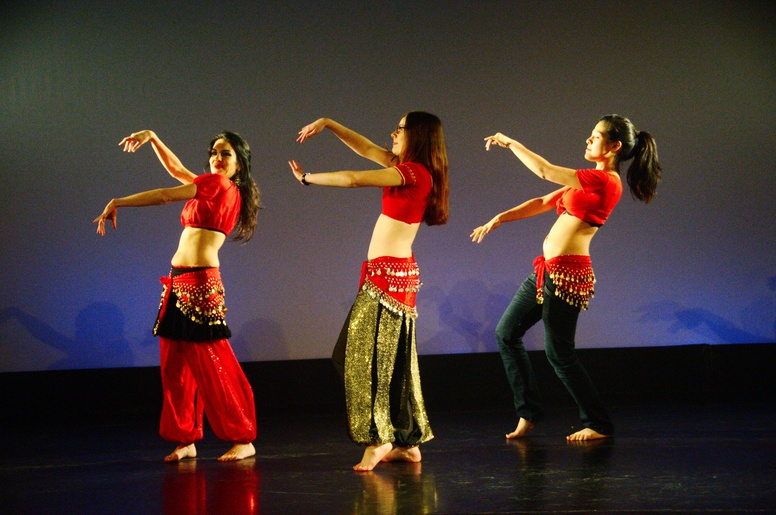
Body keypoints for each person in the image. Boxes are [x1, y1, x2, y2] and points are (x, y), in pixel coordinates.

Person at [471, 115, 662, 441]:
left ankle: (598, 423)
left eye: (595, 136)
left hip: (568, 274)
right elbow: (544, 201)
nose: (588, 140)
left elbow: (545, 171)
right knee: (506, 333)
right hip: (546, 271)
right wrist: (500, 218)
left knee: (559, 353)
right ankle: (528, 413)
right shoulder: (589, 180)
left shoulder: (605, 181)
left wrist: (511, 142)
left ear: (614, 146)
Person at [289, 112, 449, 471]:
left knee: (354, 358)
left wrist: (307, 178)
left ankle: (379, 440)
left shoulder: (412, 172)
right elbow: (364, 148)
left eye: (400, 129)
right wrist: (329, 123)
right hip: (391, 276)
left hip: (388, 279)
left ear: (418, 136)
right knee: (390, 362)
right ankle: (407, 442)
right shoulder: (407, 168)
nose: (393, 133)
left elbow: (353, 178)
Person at [94, 129, 261, 461]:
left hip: (199, 283)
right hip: (177, 281)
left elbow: (164, 195)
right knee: (175, 365)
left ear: (239, 164)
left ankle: (243, 437)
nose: (217, 158)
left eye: (226, 153)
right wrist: (154, 139)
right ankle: (185, 439)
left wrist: (118, 202)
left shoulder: (220, 184)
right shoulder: (209, 184)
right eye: (214, 152)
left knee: (212, 362)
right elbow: (177, 171)